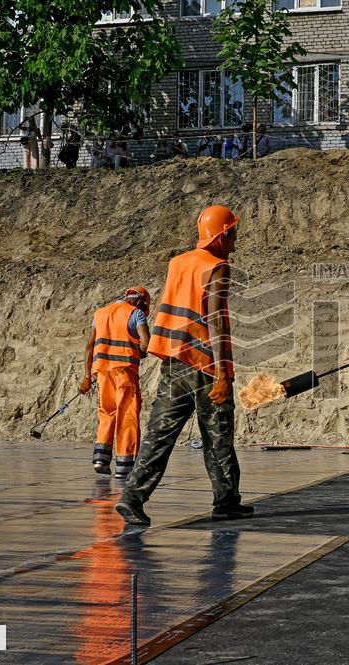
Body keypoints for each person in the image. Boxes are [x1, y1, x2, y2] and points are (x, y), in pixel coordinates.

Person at [115, 205, 252, 526]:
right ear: (221, 236)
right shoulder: (217, 268)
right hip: (205, 366)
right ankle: (227, 501)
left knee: (159, 434)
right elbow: (215, 321)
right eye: (233, 234)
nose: (235, 242)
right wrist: (221, 373)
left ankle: (132, 497)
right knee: (218, 435)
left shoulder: (178, 263)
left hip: (175, 362)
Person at [80, 287, 152, 478]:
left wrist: (87, 377)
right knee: (127, 415)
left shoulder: (100, 313)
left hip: (103, 373)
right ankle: (125, 466)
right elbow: (146, 342)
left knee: (107, 413)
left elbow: (89, 347)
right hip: (125, 372)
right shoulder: (136, 314)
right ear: (140, 302)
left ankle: (100, 459)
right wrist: (140, 351)